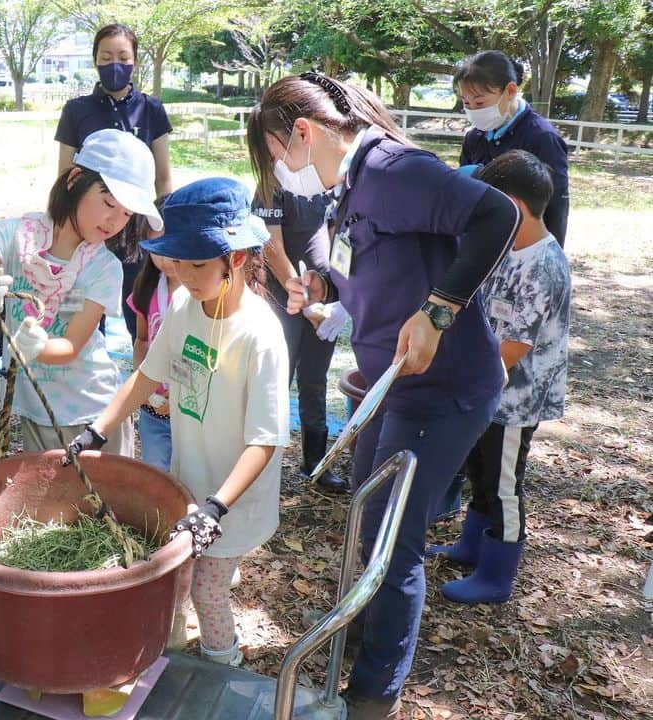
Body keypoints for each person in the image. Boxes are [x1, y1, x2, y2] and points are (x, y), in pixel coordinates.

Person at [247, 72, 519, 719]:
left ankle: (374, 693)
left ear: (305, 134)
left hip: (442, 392)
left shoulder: (391, 168)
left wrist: (440, 308)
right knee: (368, 526)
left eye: (277, 156)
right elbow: (388, 272)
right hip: (390, 388)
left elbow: (495, 214)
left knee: (391, 545)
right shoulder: (355, 185)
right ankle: (364, 631)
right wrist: (328, 289)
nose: (282, 176)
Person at [65, 177, 289, 668]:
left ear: (234, 257)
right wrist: (96, 431)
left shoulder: (261, 337)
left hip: (230, 501)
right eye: (177, 260)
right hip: (188, 484)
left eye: (197, 263)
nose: (183, 274)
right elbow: (146, 376)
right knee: (183, 579)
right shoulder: (186, 307)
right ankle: (178, 654)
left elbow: (265, 441)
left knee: (208, 594)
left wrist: (215, 508)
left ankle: (222, 668)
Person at [0, 129, 161, 455]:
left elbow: (72, 344)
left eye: (128, 214)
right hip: (38, 411)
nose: (116, 220)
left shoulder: (104, 268)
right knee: (51, 503)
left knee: (105, 502)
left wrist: (39, 346)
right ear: (75, 179)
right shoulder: (11, 235)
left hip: (96, 413)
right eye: (108, 203)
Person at [428, 151, 571, 604]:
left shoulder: (542, 265)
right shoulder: (510, 248)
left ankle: (497, 573)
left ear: (513, 205)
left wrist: (463, 378)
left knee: (504, 482)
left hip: (515, 399)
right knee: (482, 470)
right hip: (490, 392)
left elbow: (513, 349)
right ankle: (473, 544)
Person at [55, 23, 174, 339]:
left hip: (135, 230)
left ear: (135, 60)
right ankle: (70, 367)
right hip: (86, 231)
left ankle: (145, 380)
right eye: (106, 57)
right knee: (76, 315)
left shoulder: (152, 109)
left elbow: (163, 179)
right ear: (95, 60)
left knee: (142, 317)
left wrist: (162, 233)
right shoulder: (76, 111)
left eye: (123, 56)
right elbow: (64, 176)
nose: (115, 64)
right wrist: (62, 232)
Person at [250, 185, 348, 492]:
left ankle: (316, 464)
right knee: (274, 381)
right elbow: (271, 243)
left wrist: (338, 296)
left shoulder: (332, 185)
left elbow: (339, 241)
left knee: (315, 379)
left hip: (323, 301)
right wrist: (300, 294)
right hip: (282, 300)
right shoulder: (274, 184)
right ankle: (260, 466)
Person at [457, 50, 570, 247]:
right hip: (483, 245)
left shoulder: (542, 138)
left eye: (480, 102)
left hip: (523, 248)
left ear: (510, 91)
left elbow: (556, 209)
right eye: (467, 103)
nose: (474, 111)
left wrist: (546, 255)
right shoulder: (474, 137)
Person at [127, 250, 181, 471]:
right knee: (156, 471)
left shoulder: (199, 296)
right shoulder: (146, 289)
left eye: (174, 253)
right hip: (153, 408)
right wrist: (143, 388)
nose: (166, 260)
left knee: (187, 477)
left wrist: (178, 395)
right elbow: (141, 340)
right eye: (160, 252)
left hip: (188, 410)